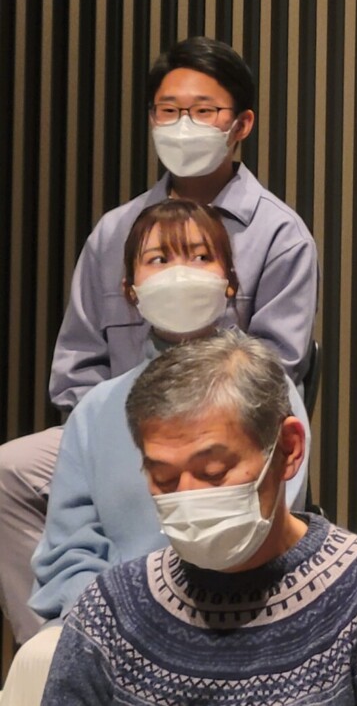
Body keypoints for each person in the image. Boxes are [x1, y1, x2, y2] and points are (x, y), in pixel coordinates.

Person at [0, 36, 319, 643]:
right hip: (115, 422)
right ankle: (58, 639)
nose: (184, 124)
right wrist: (113, 436)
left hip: (228, 424)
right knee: (10, 471)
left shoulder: (280, 233)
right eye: (169, 111)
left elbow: (277, 367)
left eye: (203, 110)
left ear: (241, 123)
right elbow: (77, 364)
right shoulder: (114, 231)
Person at [0, 201, 314, 706]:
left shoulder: (268, 392)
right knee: (39, 658)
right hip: (119, 622)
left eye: (200, 256)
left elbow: (271, 529)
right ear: (130, 288)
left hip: (251, 618)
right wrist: (122, 618)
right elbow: (67, 552)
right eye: (159, 259)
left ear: (229, 281)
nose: (180, 273)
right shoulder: (95, 410)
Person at [40, 332, 357, 706]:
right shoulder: (111, 610)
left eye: (213, 471)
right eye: (163, 477)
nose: (187, 495)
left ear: (288, 449)